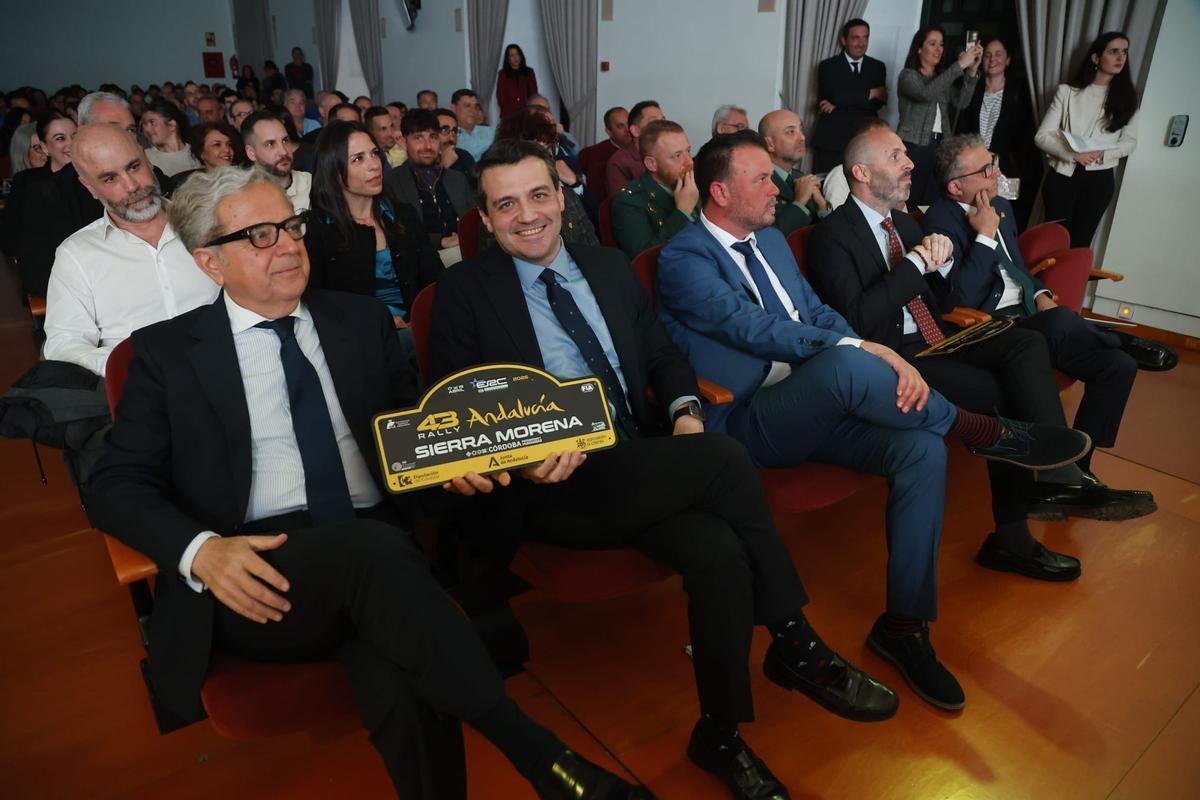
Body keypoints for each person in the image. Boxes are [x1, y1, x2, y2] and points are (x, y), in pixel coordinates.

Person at [84, 164, 650, 800]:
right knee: (377, 556)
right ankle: (539, 755)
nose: (291, 245)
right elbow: (115, 484)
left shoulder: (357, 322)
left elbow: (417, 441)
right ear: (210, 263)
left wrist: (455, 463)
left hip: (376, 557)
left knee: (396, 676)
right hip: (256, 572)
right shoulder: (163, 354)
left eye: (291, 227)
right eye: (261, 236)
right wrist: (201, 553)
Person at [431, 137, 902, 800]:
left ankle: (720, 736)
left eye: (539, 194)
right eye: (505, 204)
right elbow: (452, 414)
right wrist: (518, 451)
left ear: (561, 197)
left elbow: (662, 357)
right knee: (723, 457)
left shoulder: (607, 268)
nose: (526, 214)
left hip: (643, 457)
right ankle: (796, 640)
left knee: (717, 550)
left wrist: (683, 409)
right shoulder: (463, 293)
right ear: (485, 218)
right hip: (556, 485)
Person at [655, 131, 1090, 712]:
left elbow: (814, 312)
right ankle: (989, 433)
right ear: (719, 191)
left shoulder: (774, 241)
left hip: (817, 403)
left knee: (920, 450)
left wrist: (861, 344)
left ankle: (905, 627)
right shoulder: (683, 257)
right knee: (844, 366)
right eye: (761, 178)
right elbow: (755, 330)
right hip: (749, 418)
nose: (776, 186)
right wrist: (864, 349)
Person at [805, 123, 1113, 587]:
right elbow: (861, 319)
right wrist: (915, 263)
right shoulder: (830, 235)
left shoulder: (907, 223)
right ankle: (1018, 530)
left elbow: (946, 298)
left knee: (1027, 341)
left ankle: (1056, 477)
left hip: (940, 337)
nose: (911, 163)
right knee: (1000, 395)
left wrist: (944, 259)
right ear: (862, 172)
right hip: (893, 356)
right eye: (896, 157)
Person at [922, 133, 1155, 519]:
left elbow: (1016, 269)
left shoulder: (1000, 206)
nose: (997, 173)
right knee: (1066, 324)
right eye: (986, 169)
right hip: (991, 324)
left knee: (1117, 367)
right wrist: (981, 235)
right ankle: (1116, 339)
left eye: (993, 162)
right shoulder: (940, 220)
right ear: (956, 186)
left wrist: (1042, 289)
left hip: (1030, 314)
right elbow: (960, 297)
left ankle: (1075, 476)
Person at [43, 125, 217, 375]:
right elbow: (64, 346)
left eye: (134, 167)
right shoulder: (76, 254)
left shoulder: (207, 225)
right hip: (136, 388)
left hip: (224, 372)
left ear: (147, 159)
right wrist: (132, 365)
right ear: (89, 187)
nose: (132, 185)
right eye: (109, 178)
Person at [305, 120, 441, 368]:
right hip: (358, 344)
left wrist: (418, 320)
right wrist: (380, 321)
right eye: (358, 159)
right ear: (333, 170)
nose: (374, 165)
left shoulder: (402, 215)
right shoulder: (317, 230)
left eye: (374, 154)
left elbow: (435, 281)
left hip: (418, 330)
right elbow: (318, 305)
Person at [1035, 31, 1139, 248]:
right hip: (1063, 174)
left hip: (1099, 180)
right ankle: (1043, 283)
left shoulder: (1128, 98)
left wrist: (1103, 153)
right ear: (1096, 57)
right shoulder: (1066, 92)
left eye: (1124, 52)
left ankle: (1070, 283)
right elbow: (1042, 136)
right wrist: (1073, 154)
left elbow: (1130, 142)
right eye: (1113, 51)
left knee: (1080, 245)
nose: (1121, 57)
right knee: (1053, 241)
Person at [954, 37, 1042, 231]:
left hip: (1006, 167)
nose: (992, 59)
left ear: (1008, 60)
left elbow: (1024, 134)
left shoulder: (1019, 92)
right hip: (975, 165)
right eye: (987, 55)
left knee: (1004, 215)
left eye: (998, 54)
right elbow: (961, 125)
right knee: (972, 213)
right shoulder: (972, 88)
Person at [490, 108, 598, 249]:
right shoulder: (500, 205)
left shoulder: (566, 195)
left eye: (547, 150)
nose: (544, 159)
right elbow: (496, 265)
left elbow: (592, 248)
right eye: (535, 152)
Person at [897, 26, 981, 204]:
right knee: (911, 197)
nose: (939, 49)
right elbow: (925, 93)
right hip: (914, 146)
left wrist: (971, 71)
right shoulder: (908, 76)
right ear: (919, 49)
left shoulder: (943, 78)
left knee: (932, 199)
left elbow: (962, 102)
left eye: (941, 44)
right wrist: (959, 66)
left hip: (940, 146)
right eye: (933, 44)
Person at [383, 108, 475, 250]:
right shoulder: (392, 182)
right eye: (419, 138)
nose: (427, 146)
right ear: (403, 140)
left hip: (463, 250)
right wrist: (441, 241)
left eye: (432, 137)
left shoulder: (456, 179)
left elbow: (474, 222)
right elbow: (395, 232)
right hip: (422, 256)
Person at [611, 120, 697, 258]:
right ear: (651, 164)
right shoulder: (629, 202)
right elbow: (644, 259)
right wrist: (683, 212)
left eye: (688, 151)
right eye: (678, 155)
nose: (689, 162)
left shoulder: (692, 182)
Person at [811, 19, 888, 174]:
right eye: (855, 38)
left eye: (865, 37)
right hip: (832, 142)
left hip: (864, 142)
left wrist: (839, 103)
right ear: (843, 40)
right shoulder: (828, 66)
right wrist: (871, 93)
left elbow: (877, 104)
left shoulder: (878, 67)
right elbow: (837, 95)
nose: (861, 43)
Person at [758, 109, 829, 234]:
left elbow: (828, 236)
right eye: (791, 132)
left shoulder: (800, 177)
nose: (802, 137)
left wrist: (822, 206)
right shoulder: (759, 181)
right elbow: (769, 238)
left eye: (801, 130)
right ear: (770, 144)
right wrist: (800, 201)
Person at [241, 110, 312, 212]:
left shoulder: (312, 184)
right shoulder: (242, 198)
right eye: (270, 144)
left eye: (285, 140)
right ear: (251, 153)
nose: (283, 152)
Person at [605, 100, 664, 194]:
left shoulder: (667, 154)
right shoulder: (618, 162)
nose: (662, 127)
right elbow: (623, 204)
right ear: (635, 130)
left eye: (663, 120)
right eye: (654, 122)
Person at [577, 106, 629, 200]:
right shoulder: (591, 154)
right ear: (609, 132)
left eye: (629, 123)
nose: (628, 130)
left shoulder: (644, 149)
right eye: (620, 126)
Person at [142, 98, 202, 176]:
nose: (146, 129)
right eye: (144, 124)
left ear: (172, 125)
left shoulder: (196, 153)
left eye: (152, 122)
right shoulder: (145, 157)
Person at [496, 43, 538, 118]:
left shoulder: (529, 72)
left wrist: (530, 111)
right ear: (508, 59)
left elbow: (533, 94)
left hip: (526, 114)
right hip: (509, 115)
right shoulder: (503, 74)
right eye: (512, 55)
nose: (515, 58)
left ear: (521, 56)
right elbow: (501, 96)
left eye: (517, 54)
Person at [450, 89, 494, 160]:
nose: (473, 110)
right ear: (454, 108)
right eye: (467, 106)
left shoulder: (492, 131)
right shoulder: (450, 135)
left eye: (475, 106)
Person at [433, 108, 475, 178]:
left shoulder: (464, 157)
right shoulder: (422, 160)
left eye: (454, 131)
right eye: (444, 130)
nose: (452, 138)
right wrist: (442, 168)